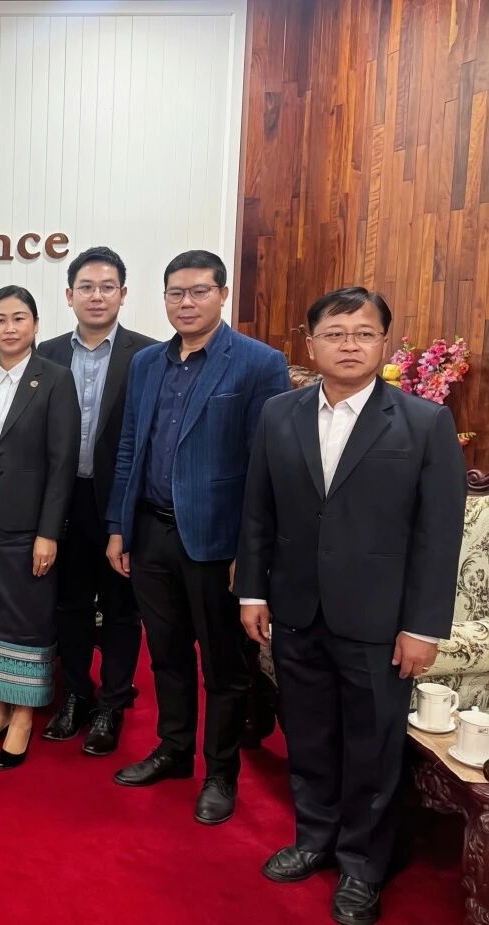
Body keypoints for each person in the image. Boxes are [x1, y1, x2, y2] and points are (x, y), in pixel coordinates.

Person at [234, 288, 465, 925]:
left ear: (384, 342)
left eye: (364, 333)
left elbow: (438, 535)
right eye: (335, 334)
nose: (349, 345)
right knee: (309, 735)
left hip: (380, 620)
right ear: (310, 344)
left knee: (372, 746)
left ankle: (363, 865)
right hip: (297, 609)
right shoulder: (279, 413)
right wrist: (252, 591)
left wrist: (423, 627)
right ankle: (315, 838)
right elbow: (258, 511)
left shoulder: (423, 422)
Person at [105, 249, 288, 824]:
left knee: (225, 667)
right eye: (176, 293)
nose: (186, 303)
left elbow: (265, 467)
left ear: (222, 294)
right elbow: (130, 447)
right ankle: (174, 749)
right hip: (150, 532)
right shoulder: (147, 363)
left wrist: (249, 553)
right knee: (166, 654)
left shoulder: (259, 363)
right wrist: (118, 526)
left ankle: (221, 772)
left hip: (217, 542)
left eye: (199, 291)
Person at [38, 246, 157, 755]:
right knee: (69, 604)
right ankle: (76, 694)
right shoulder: (46, 354)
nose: (96, 296)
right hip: (63, 500)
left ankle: (112, 703)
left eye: (107, 287)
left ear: (123, 294)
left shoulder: (149, 356)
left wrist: (128, 516)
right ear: (69, 296)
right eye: (86, 287)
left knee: (122, 608)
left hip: (122, 502)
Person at [0, 286, 79, 769]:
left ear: (36, 324)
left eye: (19, 318)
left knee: (25, 615)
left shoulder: (54, 379)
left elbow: (63, 462)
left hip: (27, 521)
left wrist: (49, 532)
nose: (9, 328)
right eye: (0, 319)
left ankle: (24, 714)